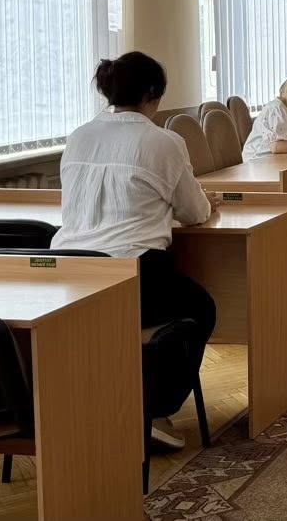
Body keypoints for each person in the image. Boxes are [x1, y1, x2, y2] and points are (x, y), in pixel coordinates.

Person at [53, 51, 219, 448]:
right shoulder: (164, 141)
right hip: (132, 272)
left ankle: (106, 400)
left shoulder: (79, 136)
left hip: (67, 273)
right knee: (200, 310)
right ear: (151, 94)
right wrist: (210, 203)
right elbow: (194, 213)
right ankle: (155, 411)